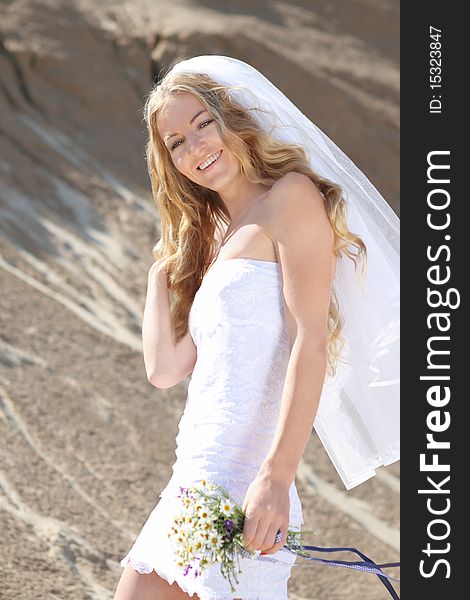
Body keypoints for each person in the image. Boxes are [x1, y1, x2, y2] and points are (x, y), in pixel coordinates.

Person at [114, 55, 399, 600]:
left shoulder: (289, 197)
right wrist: (159, 275)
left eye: (203, 123)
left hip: (248, 478)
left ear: (234, 119)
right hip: (196, 472)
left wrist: (275, 477)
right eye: (176, 142)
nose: (195, 147)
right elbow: (164, 368)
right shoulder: (216, 239)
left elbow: (310, 342)